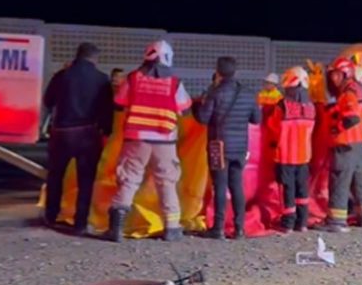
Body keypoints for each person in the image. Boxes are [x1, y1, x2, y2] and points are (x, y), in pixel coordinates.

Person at [105, 41, 192, 242]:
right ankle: (171, 228)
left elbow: (118, 103)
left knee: (129, 179)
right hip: (165, 141)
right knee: (167, 182)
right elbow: (185, 109)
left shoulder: (133, 78)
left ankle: (116, 229)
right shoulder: (174, 82)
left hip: (136, 139)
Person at [43, 43, 113, 234]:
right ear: (95, 58)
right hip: (87, 134)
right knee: (86, 180)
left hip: (61, 133)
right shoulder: (101, 79)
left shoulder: (62, 75)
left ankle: (51, 216)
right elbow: (106, 110)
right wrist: (106, 131)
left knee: (55, 176)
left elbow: (48, 101)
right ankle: (80, 222)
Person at [194, 56, 261, 239]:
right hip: (240, 148)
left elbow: (203, 118)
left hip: (219, 148)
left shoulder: (215, 92)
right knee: (237, 186)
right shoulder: (248, 93)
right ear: (235, 71)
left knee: (220, 186)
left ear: (218, 71)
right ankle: (239, 228)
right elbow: (257, 119)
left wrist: (200, 104)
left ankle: (219, 228)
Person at [325, 57, 362, 232]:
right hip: (360, 142)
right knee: (360, 179)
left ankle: (336, 221)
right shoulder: (361, 91)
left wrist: (337, 128)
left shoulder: (348, 93)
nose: (333, 78)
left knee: (340, 179)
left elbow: (352, 117)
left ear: (345, 73)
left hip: (346, 143)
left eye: (335, 74)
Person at [267, 66, 316, 233]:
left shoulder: (283, 105)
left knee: (287, 190)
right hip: (304, 156)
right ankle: (302, 223)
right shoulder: (311, 106)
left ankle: (287, 224)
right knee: (302, 190)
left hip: (285, 155)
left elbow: (273, 127)